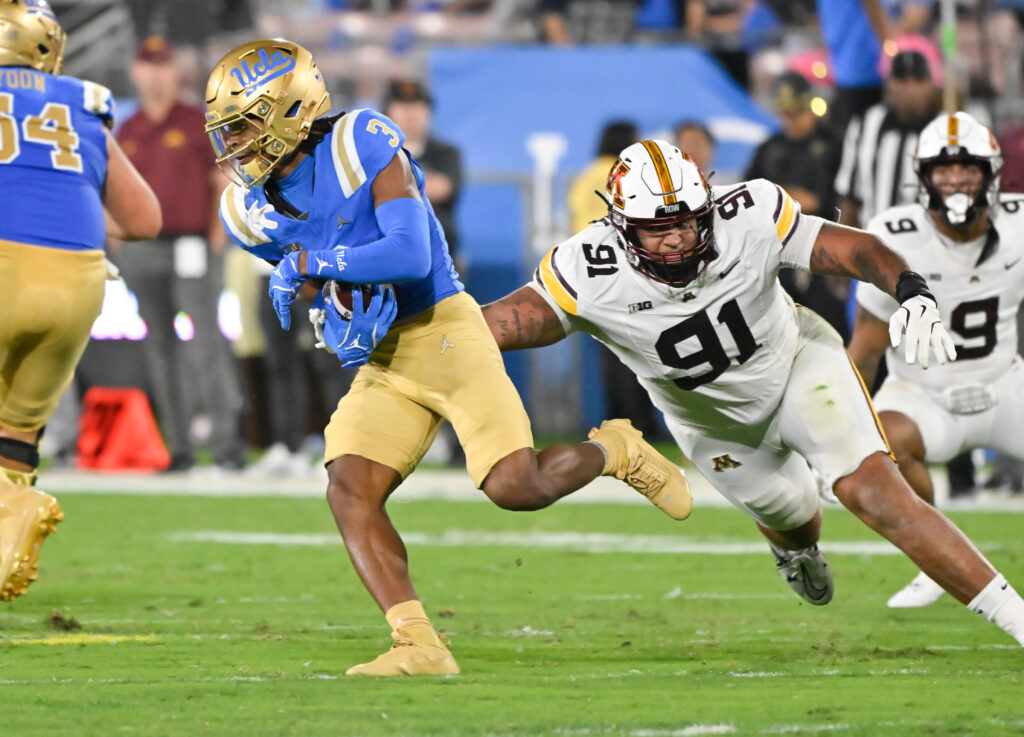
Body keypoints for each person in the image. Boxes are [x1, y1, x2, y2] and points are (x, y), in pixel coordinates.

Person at [205, 38, 691, 676]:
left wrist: (310, 265)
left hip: (444, 327)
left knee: (516, 487)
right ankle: (418, 643)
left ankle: (615, 450)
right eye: (227, 129)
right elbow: (331, 277)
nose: (233, 143)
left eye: (243, 125)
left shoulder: (359, 141)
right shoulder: (244, 211)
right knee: (350, 488)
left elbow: (408, 253)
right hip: (385, 357)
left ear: (290, 111)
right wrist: (332, 307)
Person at [469, 138, 1024, 647]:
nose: (676, 238)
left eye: (687, 221)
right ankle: (794, 549)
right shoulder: (589, 270)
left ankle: (1016, 620)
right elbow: (490, 328)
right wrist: (427, 339)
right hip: (713, 426)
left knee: (874, 492)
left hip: (799, 367)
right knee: (797, 517)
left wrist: (911, 289)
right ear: (621, 228)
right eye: (656, 228)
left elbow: (852, 248)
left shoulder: (749, 214)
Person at [0, 0, 161, 600]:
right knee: (16, 431)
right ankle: (9, 521)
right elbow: (143, 220)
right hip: (77, 278)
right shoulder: (82, 102)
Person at [847, 112, 1024, 608]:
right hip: (922, 394)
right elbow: (866, 346)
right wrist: (838, 426)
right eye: (944, 169)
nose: (956, 180)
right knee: (882, 444)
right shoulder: (895, 237)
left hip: (1005, 383)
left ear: (991, 174)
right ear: (923, 178)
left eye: (968, 168)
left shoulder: (1018, 222)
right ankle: (934, 557)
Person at [114, 35, 244, 473]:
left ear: (175, 72)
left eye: (162, 66)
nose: (155, 75)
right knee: (159, 348)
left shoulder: (198, 123)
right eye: (148, 66)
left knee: (207, 344)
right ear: (136, 72)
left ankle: (227, 445)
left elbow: (225, 181)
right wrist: (119, 242)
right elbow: (111, 190)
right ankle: (180, 448)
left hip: (193, 245)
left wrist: (215, 241)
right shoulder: (128, 129)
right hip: (144, 249)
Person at [745, 71, 848, 338]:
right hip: (777, 252)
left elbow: (833, 200)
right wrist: (794, 198)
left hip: (823, 248)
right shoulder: (769, 148)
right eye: (785, 114)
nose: (790, 120)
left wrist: (779, 197)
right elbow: (748, 197)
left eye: (796, 112)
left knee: (829, 329)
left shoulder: (834, 145)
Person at [835, 49, 941, 230]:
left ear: (931, 85)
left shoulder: (946, 132)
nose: (910, 90)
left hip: (928, 241)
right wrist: (843, 243)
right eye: (902, 81)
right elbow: (850, 197)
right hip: (873, 237)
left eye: (918, 80)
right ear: (889, 84)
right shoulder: (865, 125)